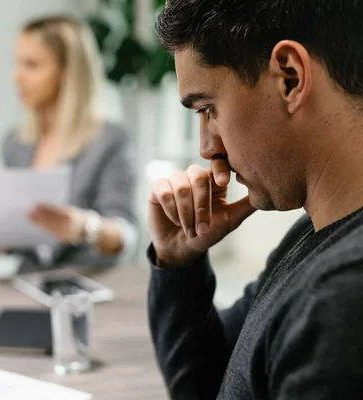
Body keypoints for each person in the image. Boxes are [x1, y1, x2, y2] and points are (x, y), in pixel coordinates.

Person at [147, 1, 363, 398]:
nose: (207, 148)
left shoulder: (342, 298)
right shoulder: (313, 236)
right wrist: (179, 264)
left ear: (291, 78)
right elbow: (214, 383)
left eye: (208, 108)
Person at [1, 15, 138, 273]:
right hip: (30, 283)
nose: (17, 76)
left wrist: (86, 228)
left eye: (31, 64)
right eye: (17, 63)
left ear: (66, 72)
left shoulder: (111, 139)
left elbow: (126, 235)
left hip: (90, 283)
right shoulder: (14, 143)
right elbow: (24, 235)